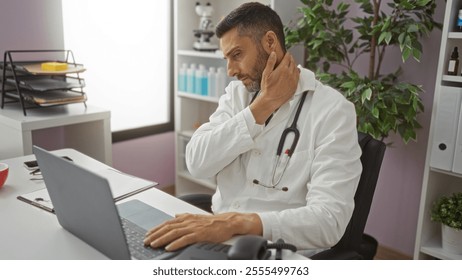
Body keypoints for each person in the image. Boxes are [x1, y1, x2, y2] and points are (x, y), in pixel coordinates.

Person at [144, 2, 362, 256]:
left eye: (237, 55)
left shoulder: (332, 111)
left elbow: (329, 221)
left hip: (276, 252)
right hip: (217, 238)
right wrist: (260, 108)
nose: (230, 71)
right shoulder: (238, 95)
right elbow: (197, 162)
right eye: (227, 59)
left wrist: (236, 223)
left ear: (270, 43)